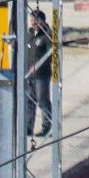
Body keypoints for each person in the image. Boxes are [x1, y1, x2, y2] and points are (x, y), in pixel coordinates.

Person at [24, 8, 54, 139]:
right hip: (29, 74)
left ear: (41, 21)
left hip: (42, 75)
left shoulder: (47, 35)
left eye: (35, 21)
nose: (32, 23)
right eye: (31, 21)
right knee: (29, 101)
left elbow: (50, 55)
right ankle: (28, 127)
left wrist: (39, 66)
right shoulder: (29, 34)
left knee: (43, 100)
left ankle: (47, 127)